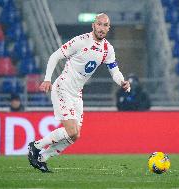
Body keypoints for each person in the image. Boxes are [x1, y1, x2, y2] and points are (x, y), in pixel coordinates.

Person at [27, 13, 131, 173]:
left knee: (75, 136)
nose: (102, 28)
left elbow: (114, 70)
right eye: (99, 24)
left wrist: (122, 81)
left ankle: (42, 158)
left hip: (76, 94)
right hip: (63, 88)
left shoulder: (107, 49)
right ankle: (36, 146)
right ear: (93, 25)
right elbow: (55, 56)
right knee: (71, 131)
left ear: (108, 28)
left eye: (105, 25)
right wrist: (47, 79)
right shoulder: (81, 41)